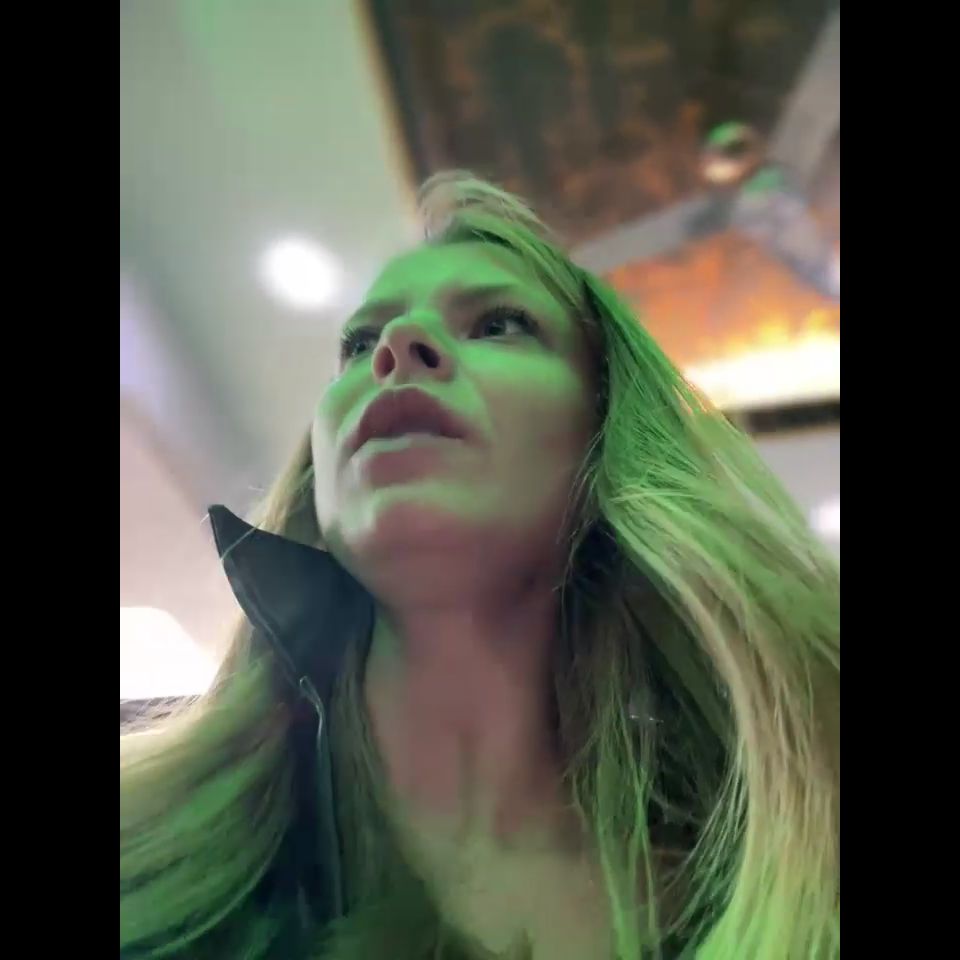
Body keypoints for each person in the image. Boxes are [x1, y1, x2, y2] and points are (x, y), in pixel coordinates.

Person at [120, 172, 840, 960]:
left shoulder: (777, 885)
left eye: (499, 325)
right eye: (359, 344)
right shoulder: (141, 843)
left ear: (604, 434)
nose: (397, 347)